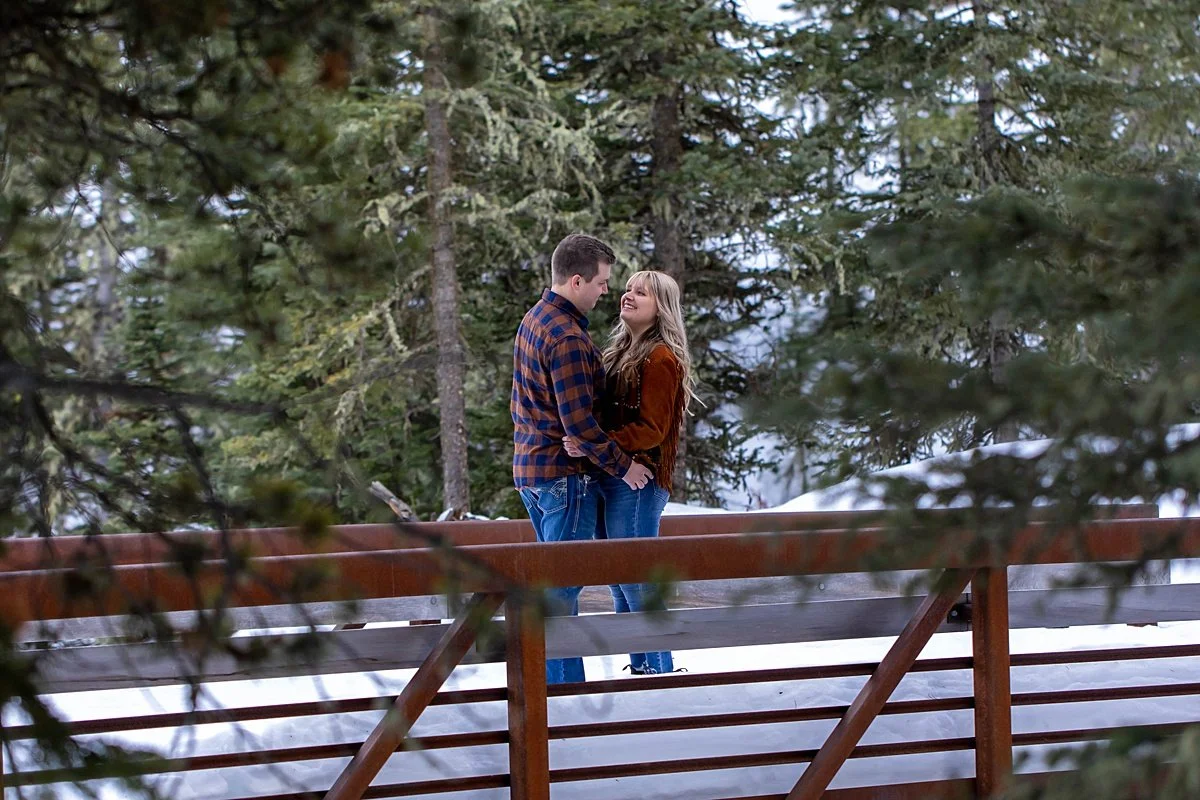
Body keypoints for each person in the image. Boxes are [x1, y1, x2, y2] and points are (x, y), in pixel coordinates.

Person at [511, 233, 656, 685]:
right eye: (602, 282)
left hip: (531, 472)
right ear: (576, 280)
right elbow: (581, 427)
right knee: (561, 589)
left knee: (555, 586)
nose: (607, 291)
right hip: (563, 478)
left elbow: (532, 407)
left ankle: (555, 692)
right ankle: (560, 696)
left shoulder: (534, 320)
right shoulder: (568, 338)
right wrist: (625, 467)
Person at [565, 270, 697, 675]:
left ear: (661, 308)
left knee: (636, 578)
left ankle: (659, 670)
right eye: (627, 290)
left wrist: (593, 442)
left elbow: (652, 430)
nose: (628, 296)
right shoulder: (620, 352)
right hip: (614, 475)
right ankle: (641, 666)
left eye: (641, 292)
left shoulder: (660, 359)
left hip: (638, 481)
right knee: (620, 579)